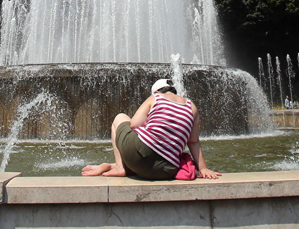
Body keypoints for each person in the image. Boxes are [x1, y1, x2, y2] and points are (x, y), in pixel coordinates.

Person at [82, 78, 221, 181]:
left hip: (138, 158)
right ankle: (112, 166)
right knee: (153, 157)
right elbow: (194, 142)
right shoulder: (192, 107)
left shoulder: (155, 97)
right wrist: (203, 168)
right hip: (165, 171)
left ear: (156, 90)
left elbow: (134, 124)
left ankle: (119, 166)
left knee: (120, 118)